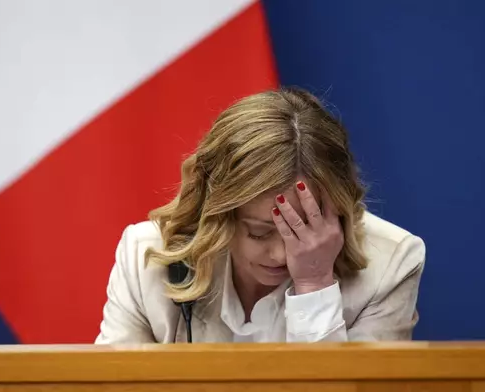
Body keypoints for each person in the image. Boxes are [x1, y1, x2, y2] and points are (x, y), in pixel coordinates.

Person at [95, 87, 425, 343]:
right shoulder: (147, 257)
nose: (282, 254)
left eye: (305, 230)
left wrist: (314, 285)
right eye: (259, 232)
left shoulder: (391, 264)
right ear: (215, 214)